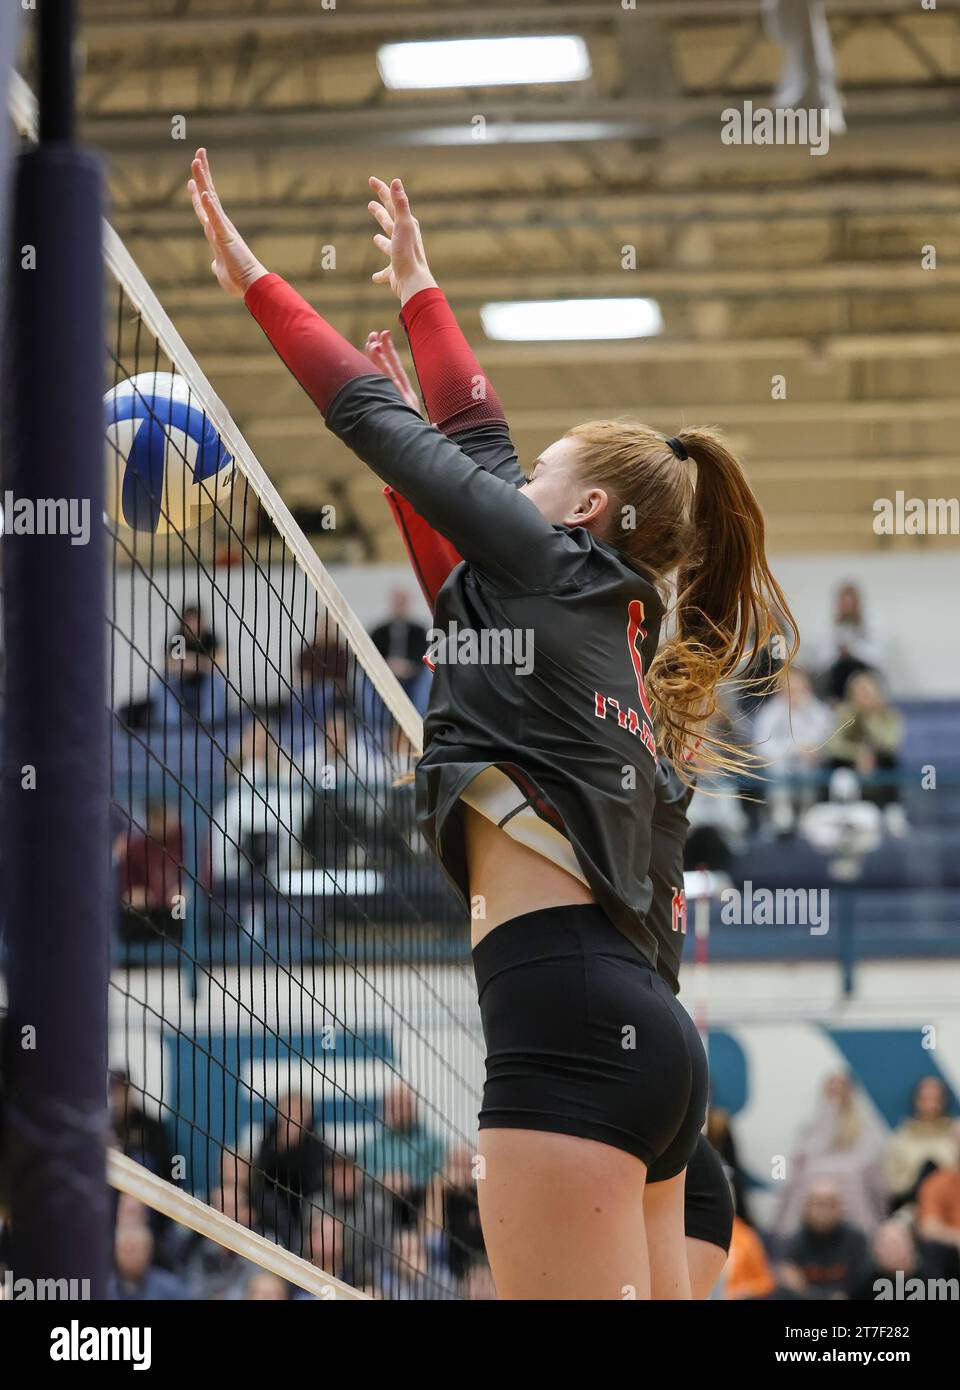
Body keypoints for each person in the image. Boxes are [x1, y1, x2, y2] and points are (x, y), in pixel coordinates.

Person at [187, 148, 795, 1300]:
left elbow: (382, 422)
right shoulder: (630, 652)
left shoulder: (550, 568)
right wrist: (420, 291)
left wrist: (253, 278)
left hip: (568, 1042)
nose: (510, 486)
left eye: (537, 481)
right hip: (661, 1065)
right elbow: (473, 448)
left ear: (584, 512)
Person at [752, 666, 833, 833]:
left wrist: (810, 749)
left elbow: (826, 738)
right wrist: (791, 749)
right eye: (788, 685)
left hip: (811, 765)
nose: (793, 690)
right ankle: (781, 814)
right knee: (779, 765)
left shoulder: (818, 710)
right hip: (780, 764)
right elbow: (761, 745)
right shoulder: (770, 712)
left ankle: (808, 813)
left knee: (805, 764)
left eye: (797, 685)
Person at [828, 671, 904, 828]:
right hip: (849, 763)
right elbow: (833, 745)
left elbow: (890, 743)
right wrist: (858, 753)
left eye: (868, 691)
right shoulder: (844, 712)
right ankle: (843, 811)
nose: (863, 696)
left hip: (879, 761)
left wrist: (871, 718)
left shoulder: (889, 714)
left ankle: (891, 809)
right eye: (859, 692)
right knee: (836, 766)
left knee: (891, 762)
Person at [778, 1182, 872, 1299]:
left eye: (830, 1204)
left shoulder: (856, 1241)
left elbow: (862, 1288)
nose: (823, 1210)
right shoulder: (791, 1242)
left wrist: (805, 1289)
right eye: (818, 1203)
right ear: (806, 1207)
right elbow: (788, 1288)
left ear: (841, 1208)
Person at [885, 1076, 958, 1211]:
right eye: (925, 1098)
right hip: (913, 1206)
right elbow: (893, 1181)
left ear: (944, 1100)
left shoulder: (956, 1131)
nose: (931, 1104)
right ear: (916, 1101)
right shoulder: (902, 1137)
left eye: (936, 1098)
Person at [816, 583, 883, 702]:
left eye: (850, 604)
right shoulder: (830, 629)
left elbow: (878, 657)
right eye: (844, 604)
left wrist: (853, 649)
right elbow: (821, 659)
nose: (847, 608)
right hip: (835, 673)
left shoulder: (871, 628)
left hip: (862, 670)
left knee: (854, 668)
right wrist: (838, 652)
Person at [370, 588, 428, 700]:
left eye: (403, 602)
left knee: (426, 678)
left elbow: (423, 655)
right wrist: (389, 665)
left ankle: (418, 717)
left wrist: (406, 667)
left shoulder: (419, 631)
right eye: (397, 602)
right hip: (383, 676)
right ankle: (376, 717)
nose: (399, 606)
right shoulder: (378, 631)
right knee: (363, 680)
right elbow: (372, 655)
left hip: (412, 677)